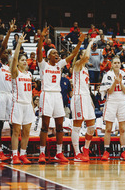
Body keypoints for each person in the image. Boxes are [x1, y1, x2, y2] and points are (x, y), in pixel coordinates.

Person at [37, 28, 84, 163]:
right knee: (45, 126)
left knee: (59, 126)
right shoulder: (43, 65)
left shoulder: (59, 65)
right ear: (48, 56)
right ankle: (42, 153)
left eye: (57, 52)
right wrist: (41, 38)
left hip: (57, 96)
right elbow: (39, 52)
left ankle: (59, 152)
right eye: (54, 53)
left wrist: (80, 43)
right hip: (46, 95)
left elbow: (74, 53)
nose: (57, 54)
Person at [99, 56, 125, 161]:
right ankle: (106, 151)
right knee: (108, 129)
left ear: (120, 64)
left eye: (118, 62)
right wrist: (115, 82)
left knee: (122, 129)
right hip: (111, 102)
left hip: (122, 102)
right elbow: (109, 91)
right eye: (115, 63)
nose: (117, 64)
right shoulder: (107, 75)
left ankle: (123, 151)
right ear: (112, 64)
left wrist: (120, 82)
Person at [0, 20, 16, 163]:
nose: (7, 54)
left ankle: (14, 152)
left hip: (10, 96)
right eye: (5, 52)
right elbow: (3, 46)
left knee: (13, 124)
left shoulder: (10, 68)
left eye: (9, 53)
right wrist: (9, 33)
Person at [10, 34, 35, 164]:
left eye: (26, 60)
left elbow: (30, 92)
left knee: (26, 132)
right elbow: (14, 59)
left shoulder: (29, 74)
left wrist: (32, 105)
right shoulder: (15, 72)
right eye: (22, 60)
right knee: (16, 131)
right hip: (17, 104)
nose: (25, 62)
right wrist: (19, 44)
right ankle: (14, 155)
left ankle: (23, 154)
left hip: (27, 105)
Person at [70, 40, 97, 162]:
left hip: (86, 97)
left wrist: (91, 99)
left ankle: (85, 149)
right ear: (80, 56)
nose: (87, 56)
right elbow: (86, 56)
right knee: (77, 126)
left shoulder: (85, 69)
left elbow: (86, 86)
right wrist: (90, 42)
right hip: (78, 97)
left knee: (92, 127)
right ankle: (76, 153)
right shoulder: (77, 65)